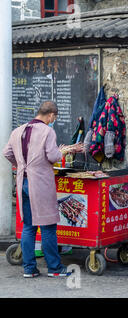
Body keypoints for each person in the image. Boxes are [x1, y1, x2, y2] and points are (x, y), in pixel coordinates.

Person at [3, 101, 77, 278]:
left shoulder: (17, 130)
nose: (53, 121)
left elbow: (7, 152)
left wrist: (21, 165)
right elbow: (52, 156)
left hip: (23, 182)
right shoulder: (47, 131)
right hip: (40, 184)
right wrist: (64, 152)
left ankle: (29, 269)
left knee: (29, 226)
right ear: (51, 115)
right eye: (54, 118)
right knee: (48, 227)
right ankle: (54, 268)